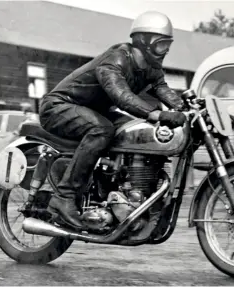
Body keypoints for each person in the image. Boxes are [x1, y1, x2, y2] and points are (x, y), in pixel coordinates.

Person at [39, 11, 186, 229]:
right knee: (102, 130)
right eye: (160, 45)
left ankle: (114, 192)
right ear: (143, 41)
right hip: (59, 106)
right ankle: (64, 197)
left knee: (133, 132)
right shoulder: (116, 59)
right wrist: (155, 114)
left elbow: (162, 89)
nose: (164, 51)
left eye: (167, 45)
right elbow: (122, 96)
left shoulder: (151, 69)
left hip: (92, 110)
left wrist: (185, 108)